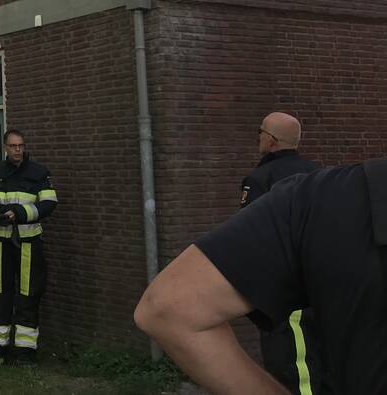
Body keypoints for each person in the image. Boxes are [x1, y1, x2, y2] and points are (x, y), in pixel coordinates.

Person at [134, 159, 387, 394]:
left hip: (294, 296)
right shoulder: (313, 174)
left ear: (270, 140)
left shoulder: (311, 196)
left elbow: (168, 308)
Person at [241, 113, 330, 394]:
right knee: (320, 357)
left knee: (292, 364)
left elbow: (253, 235)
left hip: (285, 290)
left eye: (259, 132)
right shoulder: (320, 174)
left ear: (270, 141)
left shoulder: (260, 178)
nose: (258, 137)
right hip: (322, 282)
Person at [0, 129, 58, 366]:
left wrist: (21, 213)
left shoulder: (38, 173)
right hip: (2, 243)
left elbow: (49, 203)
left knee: (28, 295)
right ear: (4, 147)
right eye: (13, 146)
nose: (17, 150)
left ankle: (25, 352)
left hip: (28, 244)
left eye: (20, 145)